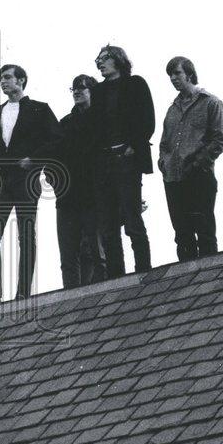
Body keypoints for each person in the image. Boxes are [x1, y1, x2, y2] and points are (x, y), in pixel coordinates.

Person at [0, 64, 59, 303]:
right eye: (1, 78)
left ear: (21, 80)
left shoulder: (40, 110)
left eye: (8, 77)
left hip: (27, 181)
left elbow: (57, 141)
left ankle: (23, 294)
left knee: (26, 236)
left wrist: (34, 160)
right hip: (1, 183)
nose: (3, 82)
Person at [91, 45, 155, 277]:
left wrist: (133, 147)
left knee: (132, 218)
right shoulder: (97, 91)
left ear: (118, 59)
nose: (99, 63)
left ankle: (143, 271)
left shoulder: (135, 83)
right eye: (97, 60)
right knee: (108, 224)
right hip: (105, 160)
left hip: (127, 159)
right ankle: (116, 277)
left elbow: (147, 119)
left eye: (103, 58)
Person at [158, 57, 223, 261]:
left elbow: (219, 139)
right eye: (170, 75)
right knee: (182, 235)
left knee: (204, 232)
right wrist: (164, 163)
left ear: (189, 74)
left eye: (177, 73)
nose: (173, 78)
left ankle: (209, 282)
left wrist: (198, 164)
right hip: (173, 178)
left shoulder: (211, 102)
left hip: (199, 176)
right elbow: (164, 143)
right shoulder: (172, 109)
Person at [49, 74, 106, 288]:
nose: (76, 92)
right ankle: (69, 301)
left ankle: (102, 299)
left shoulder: (103, 121)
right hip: (67, 198)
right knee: (68, 257)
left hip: (95, 196)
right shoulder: (64, 124)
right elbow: (52, 158)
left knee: (97, 253)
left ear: (93, 91)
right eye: (73, 88)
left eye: (82, 88)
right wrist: (57, 185)